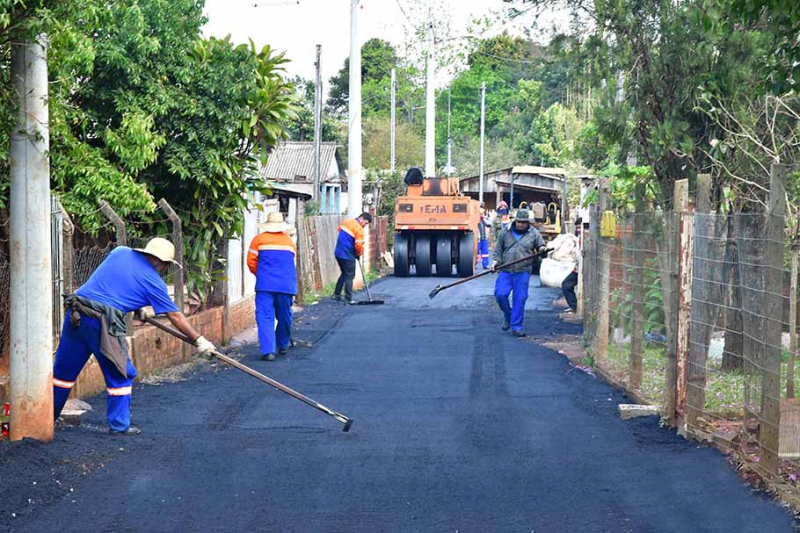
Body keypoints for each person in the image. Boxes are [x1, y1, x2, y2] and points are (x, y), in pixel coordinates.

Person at [53, 238, 215, 436]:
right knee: (121, 373)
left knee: (63, 372)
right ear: (161, 261)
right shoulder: (154, 282)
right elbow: (175, 315)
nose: (165, 269)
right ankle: (120, 426)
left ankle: (48, 418)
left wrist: (137, 307)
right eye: (166, 264)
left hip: (76, 313)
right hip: (102, 323)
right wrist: (199, 340)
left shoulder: (120, 252)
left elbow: (116, 280)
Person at [247, 212, 297, 361]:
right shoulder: (289, 242)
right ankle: (283, 344)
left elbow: (251, 262)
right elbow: (290, 263)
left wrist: (262, 274)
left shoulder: (258, 240)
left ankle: (268, 351)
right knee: (284, 315)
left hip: (265, 285)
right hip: (286, 285)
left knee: (265, 316)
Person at [492, 209, 547, 337]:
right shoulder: (505, 232)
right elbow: (498, 249)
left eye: (524, 222)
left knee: (520, 298)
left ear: (528, 223)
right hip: (506, 270)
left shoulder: (534, 233)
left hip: (523, 271)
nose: (521, 224)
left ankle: (516, 326)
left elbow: (540, 246)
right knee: (500, 294)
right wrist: (495, 262)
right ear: (515, 221)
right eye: (519, 222)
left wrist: (543, 250)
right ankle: (508, 315)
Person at [333, 212, 372, 304]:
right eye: (365, 223)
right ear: (361, 218)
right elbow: (358, 245)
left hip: (338, 253)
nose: (365, 226)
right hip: (347, 255)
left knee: (345, 273)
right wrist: (359, 253)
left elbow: (340, 230)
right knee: (350, 275)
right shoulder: (359, 229)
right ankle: (348, 298)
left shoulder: (346, 222)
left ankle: (337, 294)